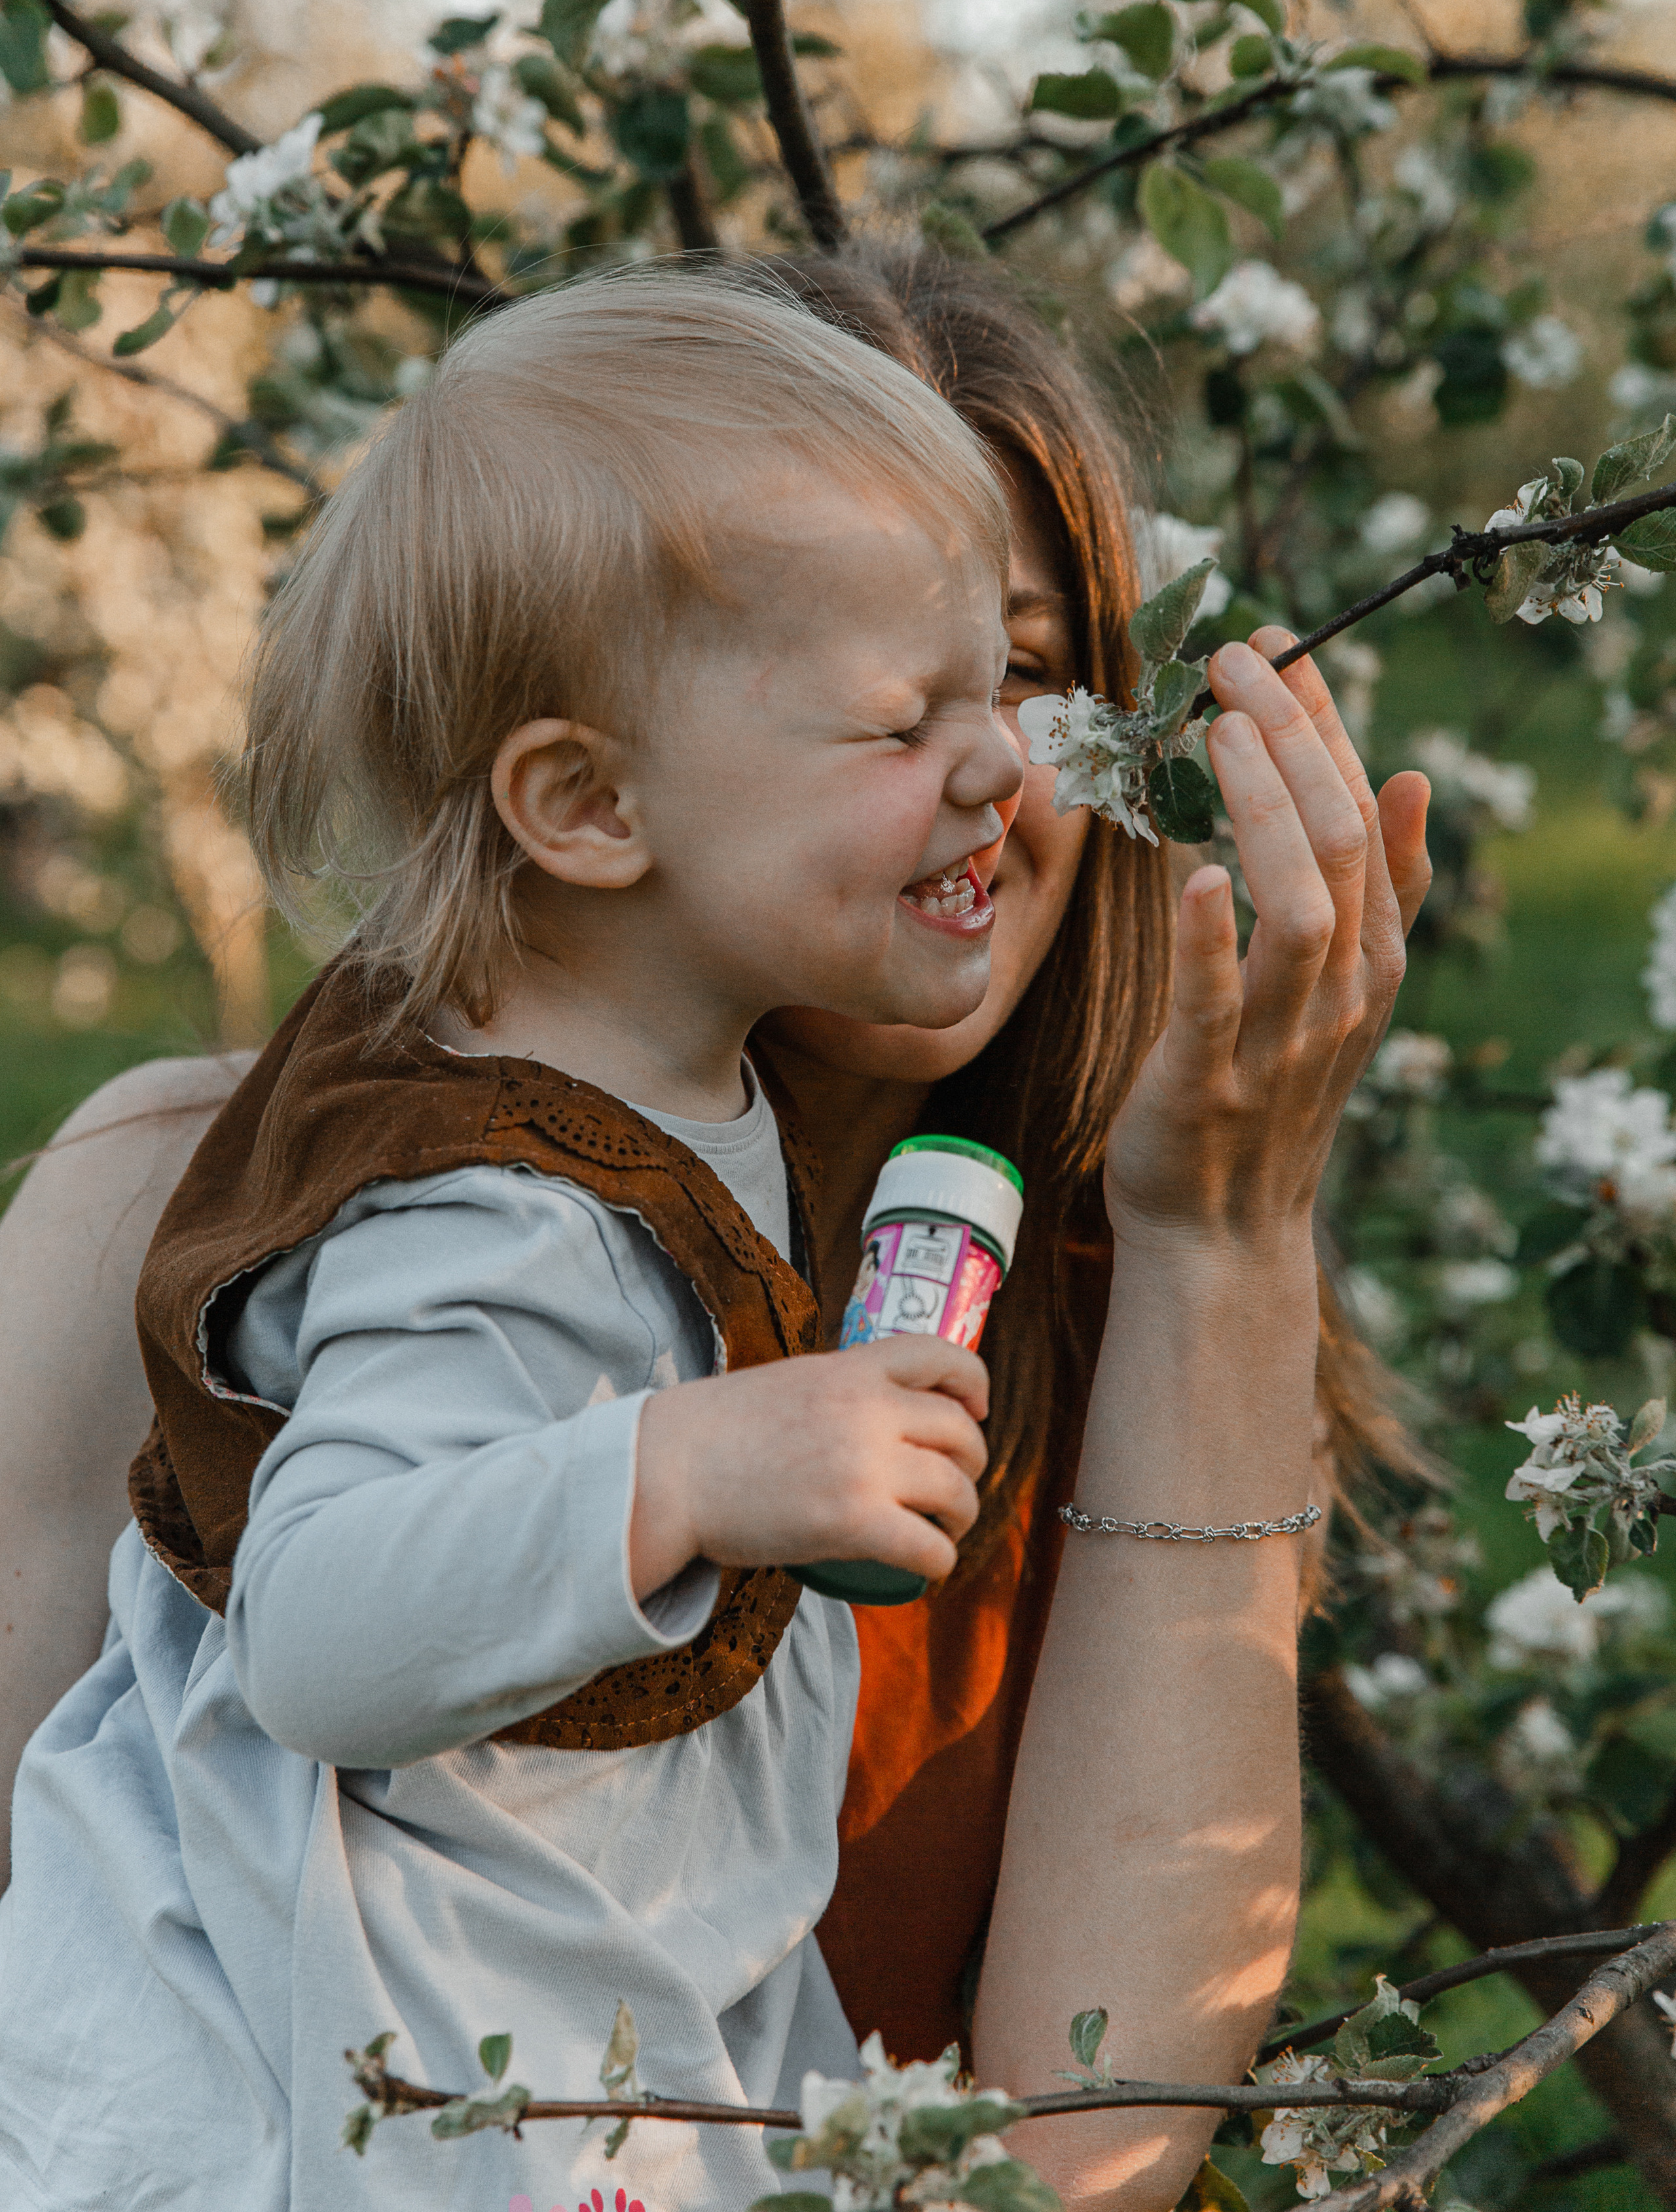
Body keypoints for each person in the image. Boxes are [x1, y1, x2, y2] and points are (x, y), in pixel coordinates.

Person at [0, 247, 1430, 2212]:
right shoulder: (335, 1218)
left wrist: (1224, 1245)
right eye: (896, 699)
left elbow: (1087, 2155)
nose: (1000, 766)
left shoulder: (1102, 1285)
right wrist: (687, 1463)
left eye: (1022, 671)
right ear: (589, 796)